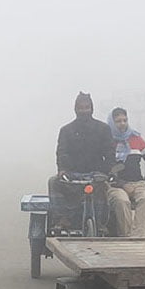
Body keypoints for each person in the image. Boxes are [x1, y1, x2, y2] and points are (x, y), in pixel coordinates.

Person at [49, 92, 116, 231]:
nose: (84, 111)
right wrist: (62, 171)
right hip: (73, 175)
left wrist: (108, 171)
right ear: (75, 109)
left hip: (96, 174)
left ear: (92, 109)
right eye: (81, 108)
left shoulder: (103, 129)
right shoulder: (66, 130)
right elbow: (62, 152)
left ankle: (100, 223)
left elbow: (110, 153)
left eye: (87, 108)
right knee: (53, 182)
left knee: (102, 188)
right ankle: (62, 218)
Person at [106, 108, 145, 236]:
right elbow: (107, 169)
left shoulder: (136, 138)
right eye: (118, 121)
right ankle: (126, 236)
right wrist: (122, 184)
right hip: (115, 185)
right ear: (112, 123)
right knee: (122, 201)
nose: (122, 123)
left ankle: (137, 237)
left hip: (138, 183)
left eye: (125, 120)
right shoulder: (107, 141)